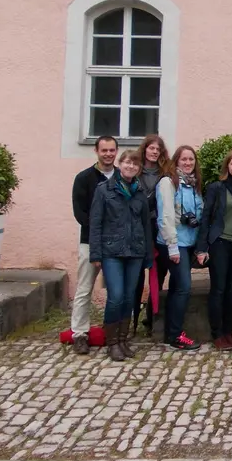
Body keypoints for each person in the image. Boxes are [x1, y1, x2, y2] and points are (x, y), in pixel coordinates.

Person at [89, 150, 153, 361]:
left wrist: (147, 254)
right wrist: (95, 253)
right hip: (112, 251)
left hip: (135, 251)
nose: (131, 167)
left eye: (135, 164)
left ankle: (123, 339)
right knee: (115, 297)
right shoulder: (104, 190)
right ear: (120, 164)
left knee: (128, 297)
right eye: (127, 163)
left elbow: (145, 225)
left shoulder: (140, 192)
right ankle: (112, 342)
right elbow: (96, 223)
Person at [195, 149, 232, 351]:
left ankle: (229, 331)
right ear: (227, 166)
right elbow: (206, 218)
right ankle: (217, 333)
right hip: (220, 243)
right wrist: (202, 248)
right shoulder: (216, 188)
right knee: (219, 289)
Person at [69, 135, 119, 355]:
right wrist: (100, 231)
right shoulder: (84, 178)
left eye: (111, 150)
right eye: (104, 150)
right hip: (90, 242)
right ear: (96, 151)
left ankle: (112, 332)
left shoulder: (121, 176)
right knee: (84, 288)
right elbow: (80, 213)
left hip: (116, 244)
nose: (108, 154)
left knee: (115, 291)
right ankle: (79, 333)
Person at [155, 145, 203, 352]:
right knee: (183, 287)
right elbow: (165, 216)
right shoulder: (168, 183)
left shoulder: (193, 184)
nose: (188, 163)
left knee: (176, 288)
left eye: (191, 159)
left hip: (188, 242)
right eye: (183, 159)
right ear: (175, 161)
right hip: (173, 243)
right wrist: (172, 246)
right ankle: (175, 336)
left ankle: (170, 334)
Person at [134, 134, 170, 336]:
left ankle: (151, 317)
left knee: (158, 275)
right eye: (151, 148)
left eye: (158, 149)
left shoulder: (165, 173)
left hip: (158, 229)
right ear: (145, 149)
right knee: (136, 278)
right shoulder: (135, 171)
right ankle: (131, 320)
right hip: (138, 229)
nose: (155, 152)